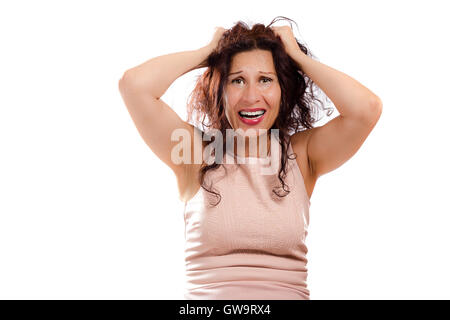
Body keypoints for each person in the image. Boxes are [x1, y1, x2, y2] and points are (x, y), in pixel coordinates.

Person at [118, 16, 382, 300]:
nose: (251, 96)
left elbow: (366, 109)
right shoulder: (194, 154)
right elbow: (134, 85)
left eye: (266, 80)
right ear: (219, 89)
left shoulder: (302, 156)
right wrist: (207, 54)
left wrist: (296, 57)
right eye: (237, 80)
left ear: (283, 89)